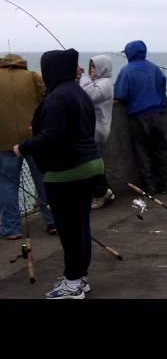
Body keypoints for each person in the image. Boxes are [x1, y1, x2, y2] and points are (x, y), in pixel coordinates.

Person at [15, 49, 103, 299]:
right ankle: (79, 277)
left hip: (67, 172)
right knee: (81, 226)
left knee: (69, 230)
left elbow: (53, 137)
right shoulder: (78, 93)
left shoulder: (56, 98)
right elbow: (75, 128)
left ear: (49, 70)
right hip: (89, 164)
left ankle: (73, 282)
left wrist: (23, 146)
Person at [0, 54, 56, 238]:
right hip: (33, 140)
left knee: (8, 185)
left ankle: (11, 229)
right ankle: (52, 221)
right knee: (44, 180)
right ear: (21, 64)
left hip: (4, 142)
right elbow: (46, 99)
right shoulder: (32, 76)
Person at [114, 40, 167, 195]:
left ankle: (149, 187)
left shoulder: (126, 71)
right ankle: (164, 185)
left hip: (139, 116)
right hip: (158, 114)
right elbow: (163, 85)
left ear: (129, 54)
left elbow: (120, 94)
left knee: (142, 151)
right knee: (161, 150)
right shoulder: (155, 69)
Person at [78, 55, 116, 209]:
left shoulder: (105, 83)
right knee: (94, 162)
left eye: (95, 67)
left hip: (97, 129)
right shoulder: (99, 83)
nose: (92, 70)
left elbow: (89, 95)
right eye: (91, 67)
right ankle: (104, 191)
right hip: (94, 128)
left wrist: (83, 76)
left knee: (93, 164)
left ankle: (101, 193)